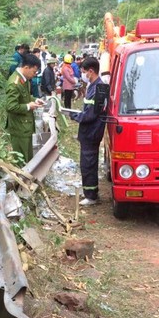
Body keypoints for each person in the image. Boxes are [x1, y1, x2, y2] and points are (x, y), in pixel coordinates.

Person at [68, 57, 106, 206]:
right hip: (89, 132)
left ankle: (91, 196)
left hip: (91, 132)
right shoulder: (93, 86)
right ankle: (91, 192)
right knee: (87, 163)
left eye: (84, 72)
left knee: (88, 164)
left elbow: (90, 115)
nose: (83, 75)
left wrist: (74, 115)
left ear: (91, 71)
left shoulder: (98, 88)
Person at [5, 52, 43, 165]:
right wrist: (28, 106)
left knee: (27, 157)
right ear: (26, 67)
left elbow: (25, 96)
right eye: (34, 71)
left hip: (25, 126)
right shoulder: (14, 83)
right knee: (21, 160)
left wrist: (34, 100)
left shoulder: (23, 79)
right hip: (19, 127)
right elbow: (11, 106)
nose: (35, 74)